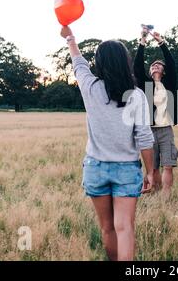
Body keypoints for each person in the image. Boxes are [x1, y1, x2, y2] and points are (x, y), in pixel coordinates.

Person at [60, 26, 155, 261]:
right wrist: (151, 171)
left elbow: (78, 63)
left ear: (100, 64)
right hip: (126, 168)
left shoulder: (90, 88)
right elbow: (144, 137)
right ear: (125, 62)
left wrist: (70, 38)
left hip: (95, 168)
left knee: (107, 228)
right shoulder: (136, 96)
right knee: (125, 228)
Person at [133, 27, 178, 199]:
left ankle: (166, 197)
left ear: (163, 71)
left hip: (166, 129)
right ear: (150, 71)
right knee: (153, 167)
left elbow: (172, 63)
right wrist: (143, 40)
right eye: (153, 65)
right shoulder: (145, 85)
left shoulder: (169, 83)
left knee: (168, 165)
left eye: (159, 65)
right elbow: (137, 65)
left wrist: (161, 42)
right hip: (150, 130)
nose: (156, 66)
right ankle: (154, 194)